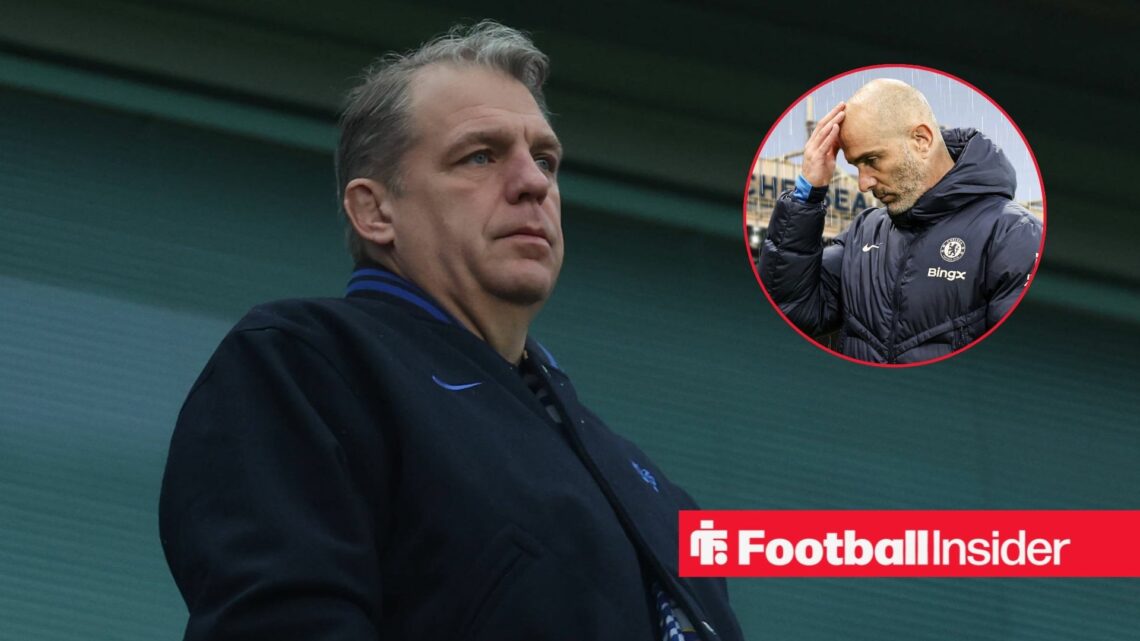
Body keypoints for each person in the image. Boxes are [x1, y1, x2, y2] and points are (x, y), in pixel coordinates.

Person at [159, 21, 743, 641]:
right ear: (374, 210)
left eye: (545, 160)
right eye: (480, 156)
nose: (534, 183)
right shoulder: (306, 364)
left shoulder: (646, 485)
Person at [758, 78, 1042, 364]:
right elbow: (792, 310)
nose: (864, 184)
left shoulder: (1013, 235)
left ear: (922, 140)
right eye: (856, 166)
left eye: (872, 160)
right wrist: (807, 194)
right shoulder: (864, 231)